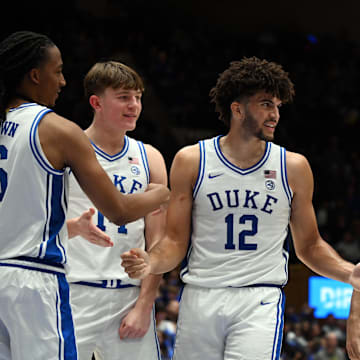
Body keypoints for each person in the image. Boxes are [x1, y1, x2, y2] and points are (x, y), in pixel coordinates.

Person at [121, 56, 360, 360]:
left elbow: (310, 246)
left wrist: (347, 273)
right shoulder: (191, 161)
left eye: (277, 105)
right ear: (237, 109)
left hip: (258, 298)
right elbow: (174, 241)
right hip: (200, 295)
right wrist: (150, 263)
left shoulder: (293, 167)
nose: (274, 114)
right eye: (265, 104)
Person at [0, 31, 169, 360]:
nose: (63, 81)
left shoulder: (7, 125)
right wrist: (161, 194)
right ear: (35, 75)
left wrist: (70, 228)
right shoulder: (58, 131)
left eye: (138, 97)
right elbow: (119, 210)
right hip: (42, 279)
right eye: (58, 70)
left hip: (11, 270)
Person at [65, 61, 167, 359]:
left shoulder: (150, 157)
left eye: (137, 97)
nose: (134, 105)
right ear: (96, 102)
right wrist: (74, 227)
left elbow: (157, 241)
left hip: (128, 296)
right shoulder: (65, 152)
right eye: (123, 97)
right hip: (74, 291)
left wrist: (145, 305)